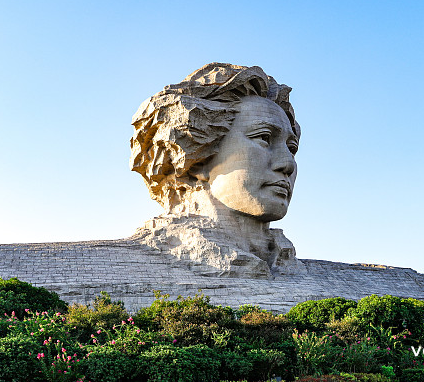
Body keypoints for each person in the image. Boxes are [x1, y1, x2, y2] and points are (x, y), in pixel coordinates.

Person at [129, 63, 304, 276]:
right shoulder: (108, 272)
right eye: (264, 138)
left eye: (292, 148)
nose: (288, 164)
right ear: (198, 159)